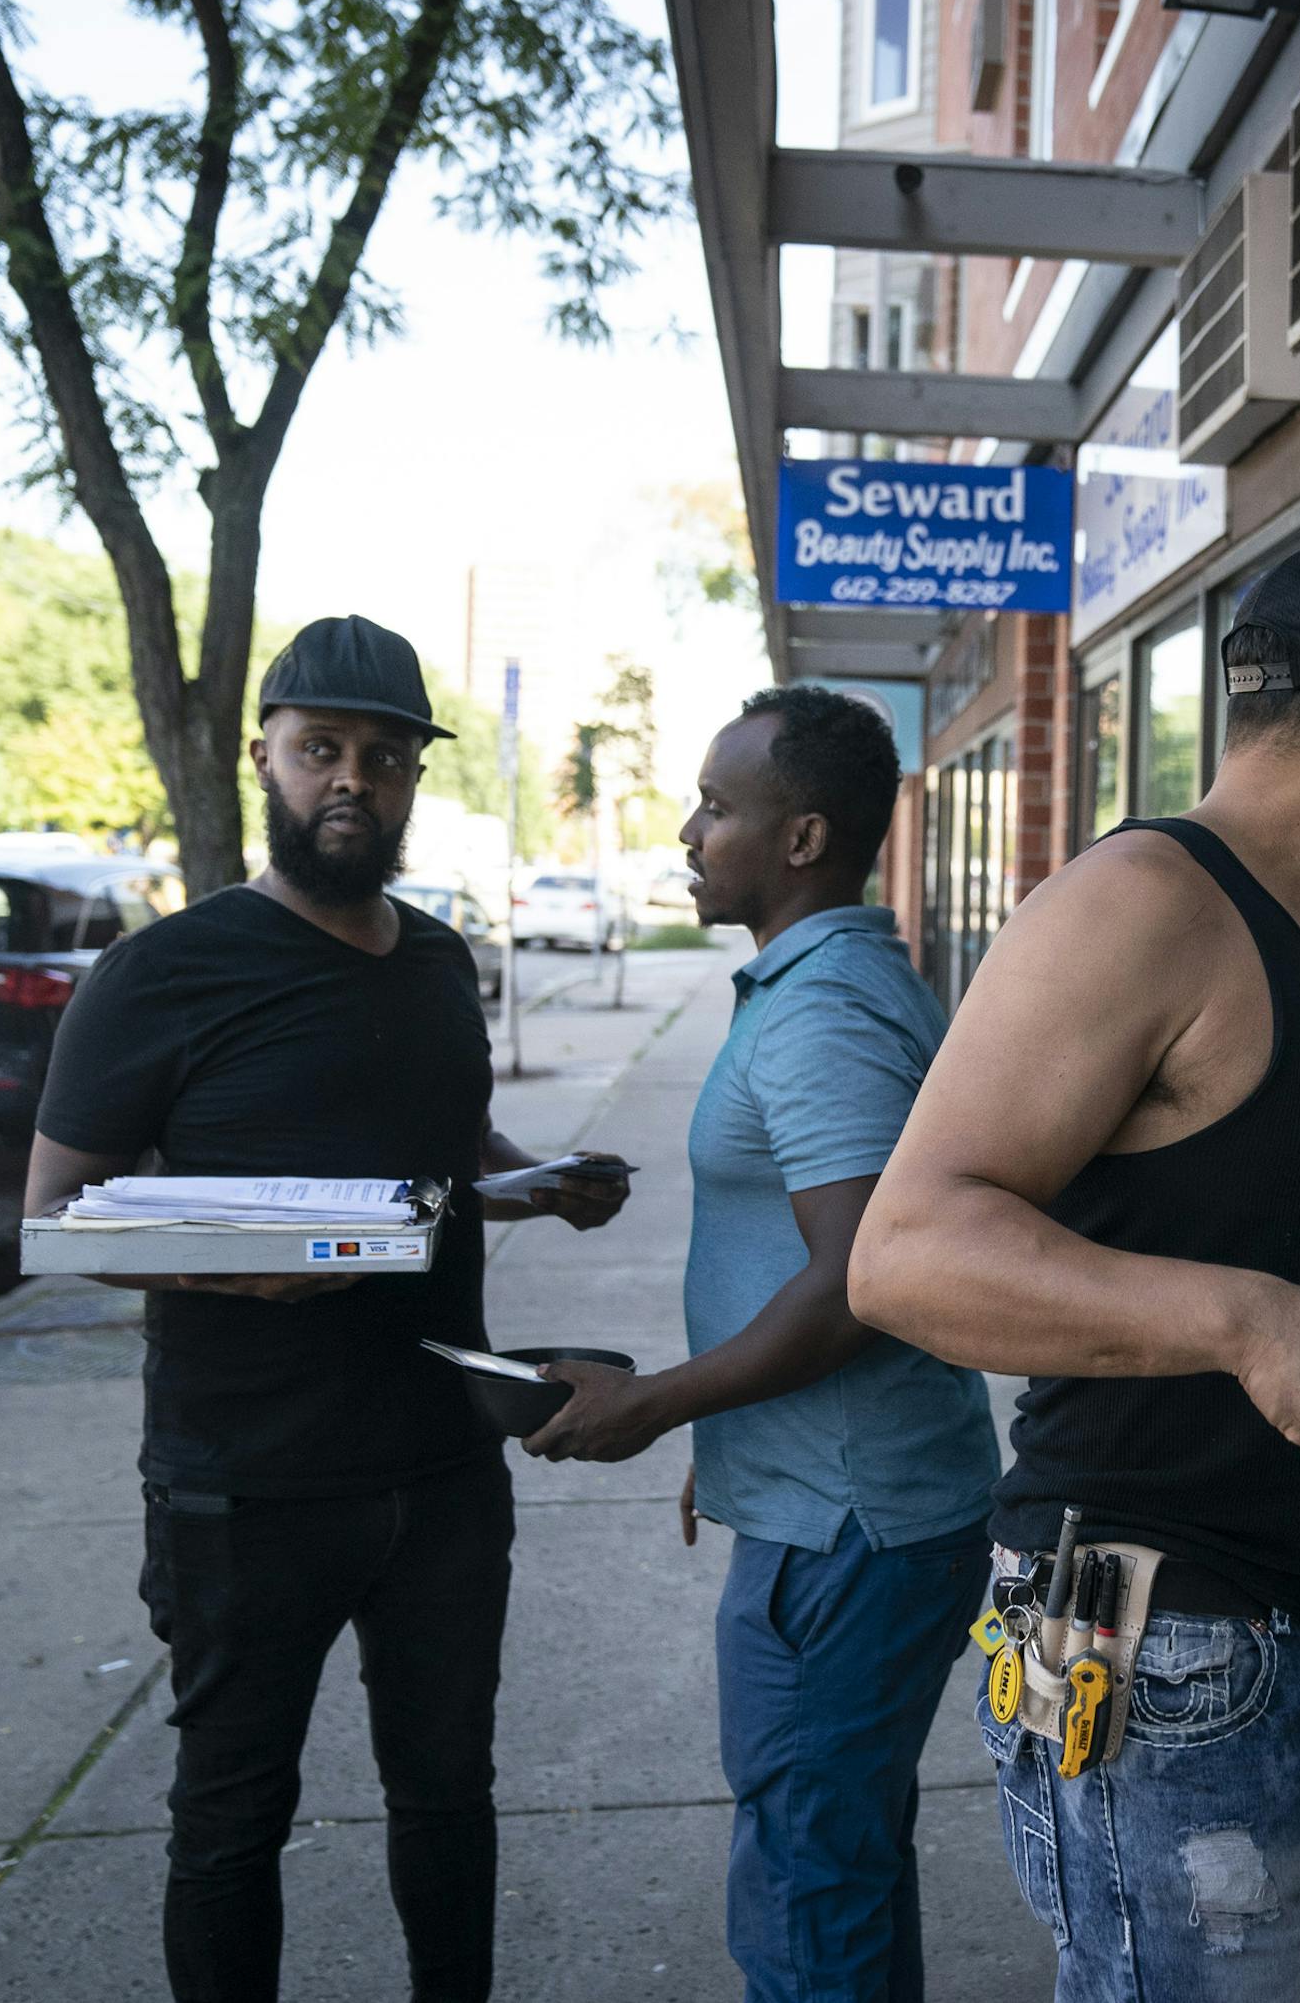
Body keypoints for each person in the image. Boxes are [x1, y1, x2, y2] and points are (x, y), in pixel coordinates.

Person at [848, 535, 1300, 2000]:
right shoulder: (1147, 901)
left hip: (1274, 1638)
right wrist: (1253, 1321)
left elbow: (1298, 1186)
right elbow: (906, 1250)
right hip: (1144, 1634)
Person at [24, 615, 631, 2003]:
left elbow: (441, 1146)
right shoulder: (165, 970)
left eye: (382, 754)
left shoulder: (434, 960)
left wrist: (533, 1185)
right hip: (245, 1480)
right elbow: (52, 1219)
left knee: (448, 1794)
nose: (350, 778)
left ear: (414, 773)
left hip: (439, 1465)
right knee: (231, 1813)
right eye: (319, 750)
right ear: (265, 762)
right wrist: (228, 1264)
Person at [520, 685, 1000, 2003]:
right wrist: (732, 1421)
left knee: (807, 1894)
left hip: (847, 1528)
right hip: (837, 1493)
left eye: (718, 805)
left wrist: (661, 1402)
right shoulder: (823, 984)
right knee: (837, 1861)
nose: (688, 828)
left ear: (804, 838)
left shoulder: (824, 1012)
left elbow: (857, 1284)